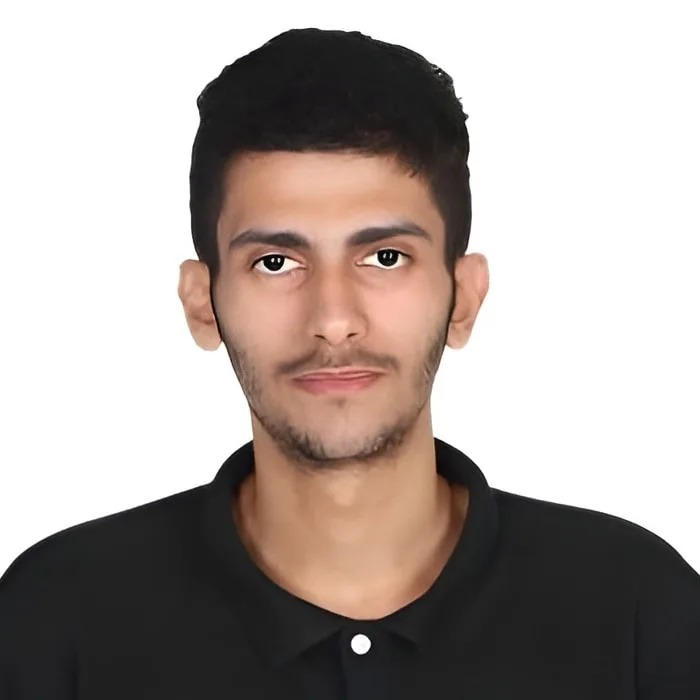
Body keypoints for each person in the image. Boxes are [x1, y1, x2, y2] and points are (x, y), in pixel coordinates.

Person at [1, 27, 698, 700]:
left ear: (463, 298)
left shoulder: (638, 612)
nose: (333, 318)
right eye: (276, 262)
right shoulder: (56, 619)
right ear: (202, 304)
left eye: (385, 257)